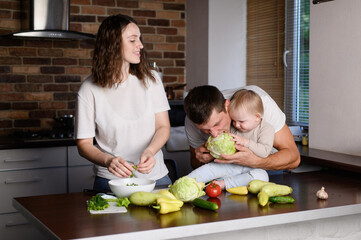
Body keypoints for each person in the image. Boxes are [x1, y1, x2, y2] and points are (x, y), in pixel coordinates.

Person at [75, 14, 171, 192]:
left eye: (139, 39)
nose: (140, 45)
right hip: (111, 182)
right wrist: (108, 161)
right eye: (133, 40)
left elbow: (163, 127)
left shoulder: (152, 80)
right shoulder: (88, 89)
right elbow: (84, 144)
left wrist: (150, 151)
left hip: (156, 179)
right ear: (113, 45)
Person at [184, 85, 300, 173]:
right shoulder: (191, 120)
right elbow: (194, 164)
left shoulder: (258, 104)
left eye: (217, 124)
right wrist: (201, 158)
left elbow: (294, 158)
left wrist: (255, 162)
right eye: (206, 130)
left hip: (271, 170)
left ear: (227, 106)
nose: (214, 134)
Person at [187, 89, 273, 189]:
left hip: (251, 169)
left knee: (262, 176)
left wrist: (246, 142)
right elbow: (230, 153)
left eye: (241, 121)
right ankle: (185, 182)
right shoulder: (235, 126)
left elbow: (264, 152)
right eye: (234, 121)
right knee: (210, 168)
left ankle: (224, 184)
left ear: (257, 117)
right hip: (232, 168)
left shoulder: (266, 129)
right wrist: (211, 154)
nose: (236, 125)